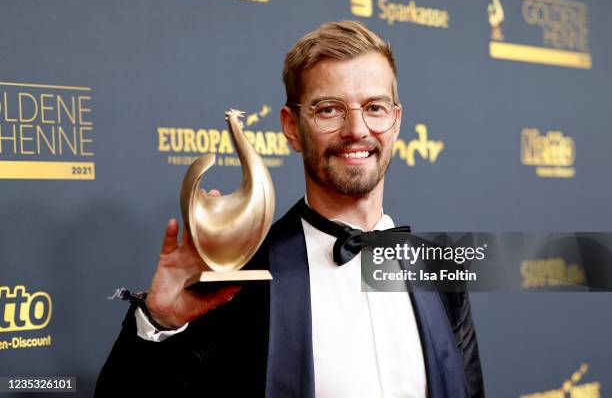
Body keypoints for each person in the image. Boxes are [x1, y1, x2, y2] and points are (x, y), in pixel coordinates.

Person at [96, 20, 484, 397]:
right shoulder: (240, 280)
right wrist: (159, 321)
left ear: (396, 121)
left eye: (375, 107)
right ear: (292, 127)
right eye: (329, 109)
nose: (357, 129)